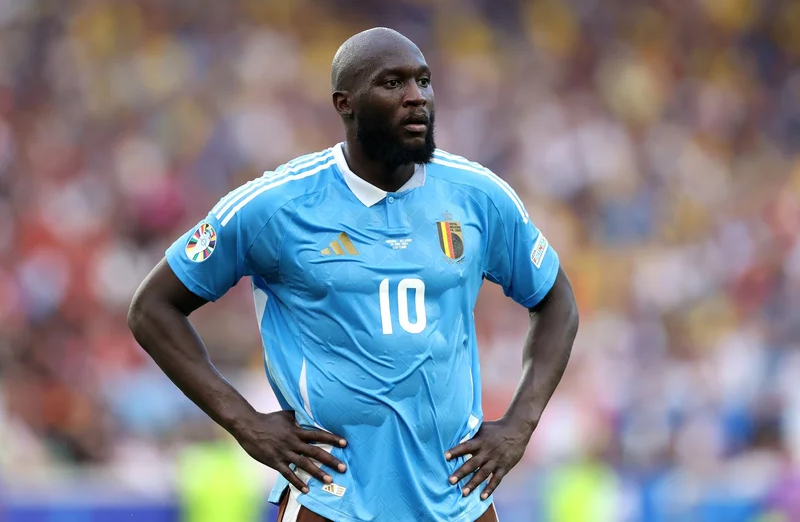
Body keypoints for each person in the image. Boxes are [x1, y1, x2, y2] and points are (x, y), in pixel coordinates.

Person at [128, 27, 579, 522]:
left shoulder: (478, 195)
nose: (416, 97)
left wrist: (519, 425)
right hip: (332, 498)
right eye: (393, 83)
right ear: (345, 103)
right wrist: (244, 422)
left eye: (423, 81)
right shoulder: (277, 205)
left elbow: (556, 300)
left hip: (457, 496)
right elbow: (152, 308)